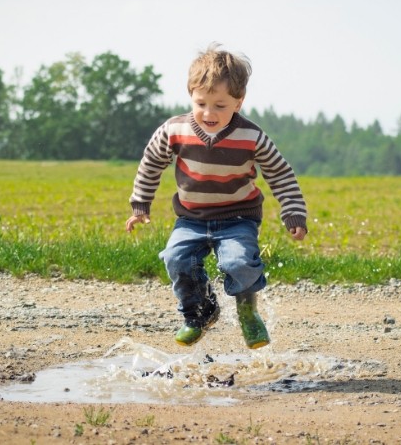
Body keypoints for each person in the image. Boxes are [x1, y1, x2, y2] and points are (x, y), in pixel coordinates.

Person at [126, 43, 307, 349]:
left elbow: (280, 173)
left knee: (239, 263)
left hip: (238, 218)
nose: (209, 113)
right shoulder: (174, 130)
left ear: (239, 102)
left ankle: (248, 311)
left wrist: (293, 212)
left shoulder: (252, 137)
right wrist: (140, 203)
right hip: (191, 218)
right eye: (201, 103)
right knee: (176, 258)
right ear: (191, 96)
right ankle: (200, 313)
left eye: (220, 105)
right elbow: (151, 163)